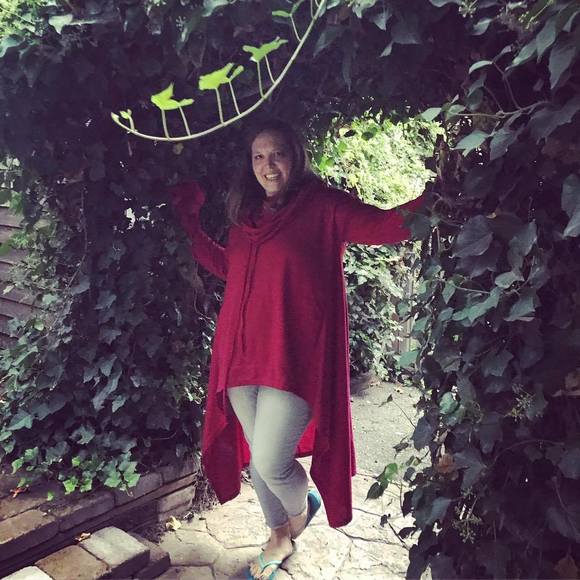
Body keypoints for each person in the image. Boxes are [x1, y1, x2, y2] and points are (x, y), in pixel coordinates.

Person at [169, 118, 424, 579]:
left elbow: (386, 225)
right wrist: (189, 223)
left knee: (271, 460)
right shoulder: (246, 218)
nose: (268, 165)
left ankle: (301, 510)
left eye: (278, 154)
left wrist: (440, 197)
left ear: (296, 157)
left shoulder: (324, 207)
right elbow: (230, 268)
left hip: (293, 359)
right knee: (259, 457)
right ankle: (278, 536)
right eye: (258, 157)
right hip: (240, 355)